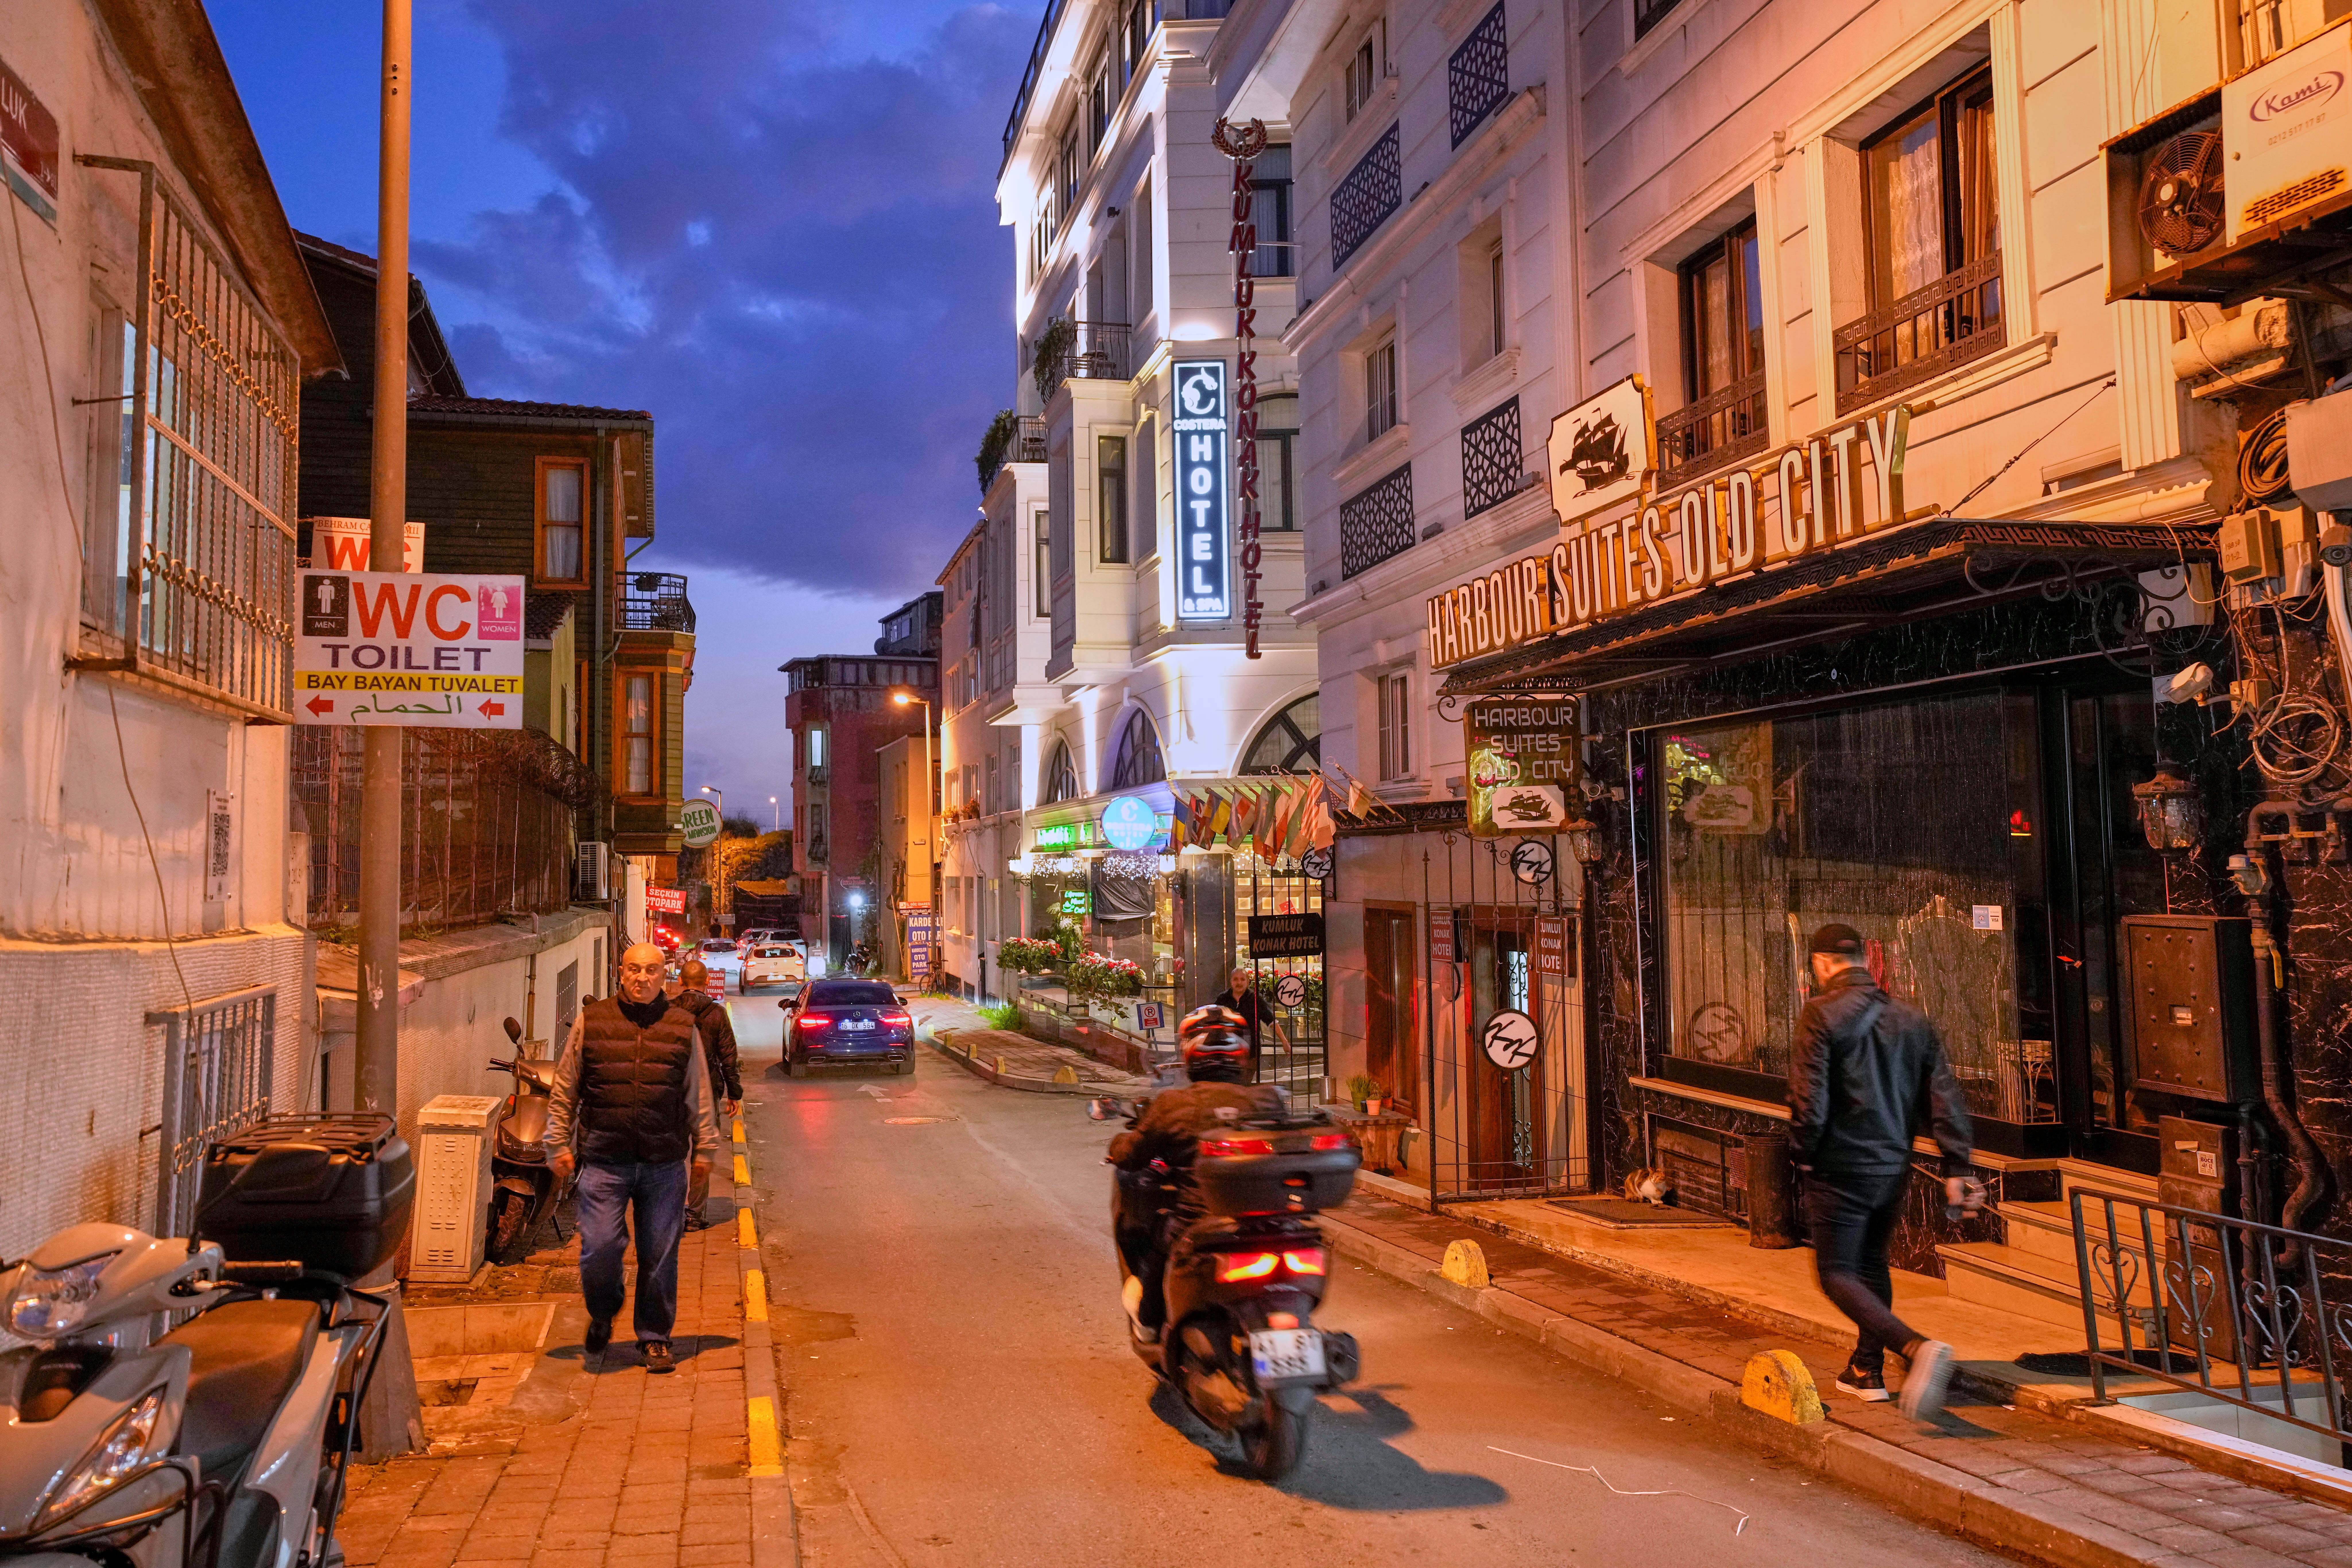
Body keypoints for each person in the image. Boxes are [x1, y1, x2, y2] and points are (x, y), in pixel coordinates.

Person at [1789, 922, 1981, 1420]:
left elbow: (1809, 1098)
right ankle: (1864, 1369)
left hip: (1838, 1163)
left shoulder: (1819, 1012)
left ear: (1822, 963)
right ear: (1865, 961)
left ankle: (1915, 1348)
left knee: (1835, 1273)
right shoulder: (1909, 1018)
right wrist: (1957, 1163)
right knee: (1871, 1264)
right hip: (1891, 1164)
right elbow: (1942, 1094)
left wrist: (1802, 1154)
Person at [546, 942, 720, 1373]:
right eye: (634, 969)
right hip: (605, 1161)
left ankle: (655, 1337)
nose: (643, 978)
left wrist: (706, 1147)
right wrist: (557, 1141)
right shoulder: (593, 1020)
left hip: (664, 1163)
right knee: (600, 1249)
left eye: (652, 970)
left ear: (666, 977)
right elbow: (566, 1085)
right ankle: (604, 1310)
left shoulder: (683, 1026)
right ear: (620, 973)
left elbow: (697, 1091)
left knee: (660, 1254)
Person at [1107, 1005, 1287, 1342]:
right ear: (1242, 1052)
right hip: (1269, 1225)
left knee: (1154, 1241)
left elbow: (1131, 1154)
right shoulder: (1269, 1100)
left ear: (1190, 1052)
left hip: (1200, 1227)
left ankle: (1149, 1319)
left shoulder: (1175, 1105)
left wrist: (1116, 1146)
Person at [675, 960, 744, 1231]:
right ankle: (695, 1214)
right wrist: (734, 1093)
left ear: (681, 982)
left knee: (672, 1155)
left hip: (673, 1093)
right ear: (706, 982)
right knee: (702, 1154)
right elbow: (729, 1056)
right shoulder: (716, 1014)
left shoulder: (668, 1011)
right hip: (707, 1095)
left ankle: (670, 1210)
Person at [1210, 968, 1290, 1083]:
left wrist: (1285, 1042)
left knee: (1243, 1084)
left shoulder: (1256, 1000)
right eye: (1236, 979)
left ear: (1248, 982)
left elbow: (1272, 1022)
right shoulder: (1223, 999)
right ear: (1231, 982)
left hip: (1250, 1054)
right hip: (1227, 1053)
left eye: (1243, 979)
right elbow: (1213, 1020)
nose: (1239, 983)